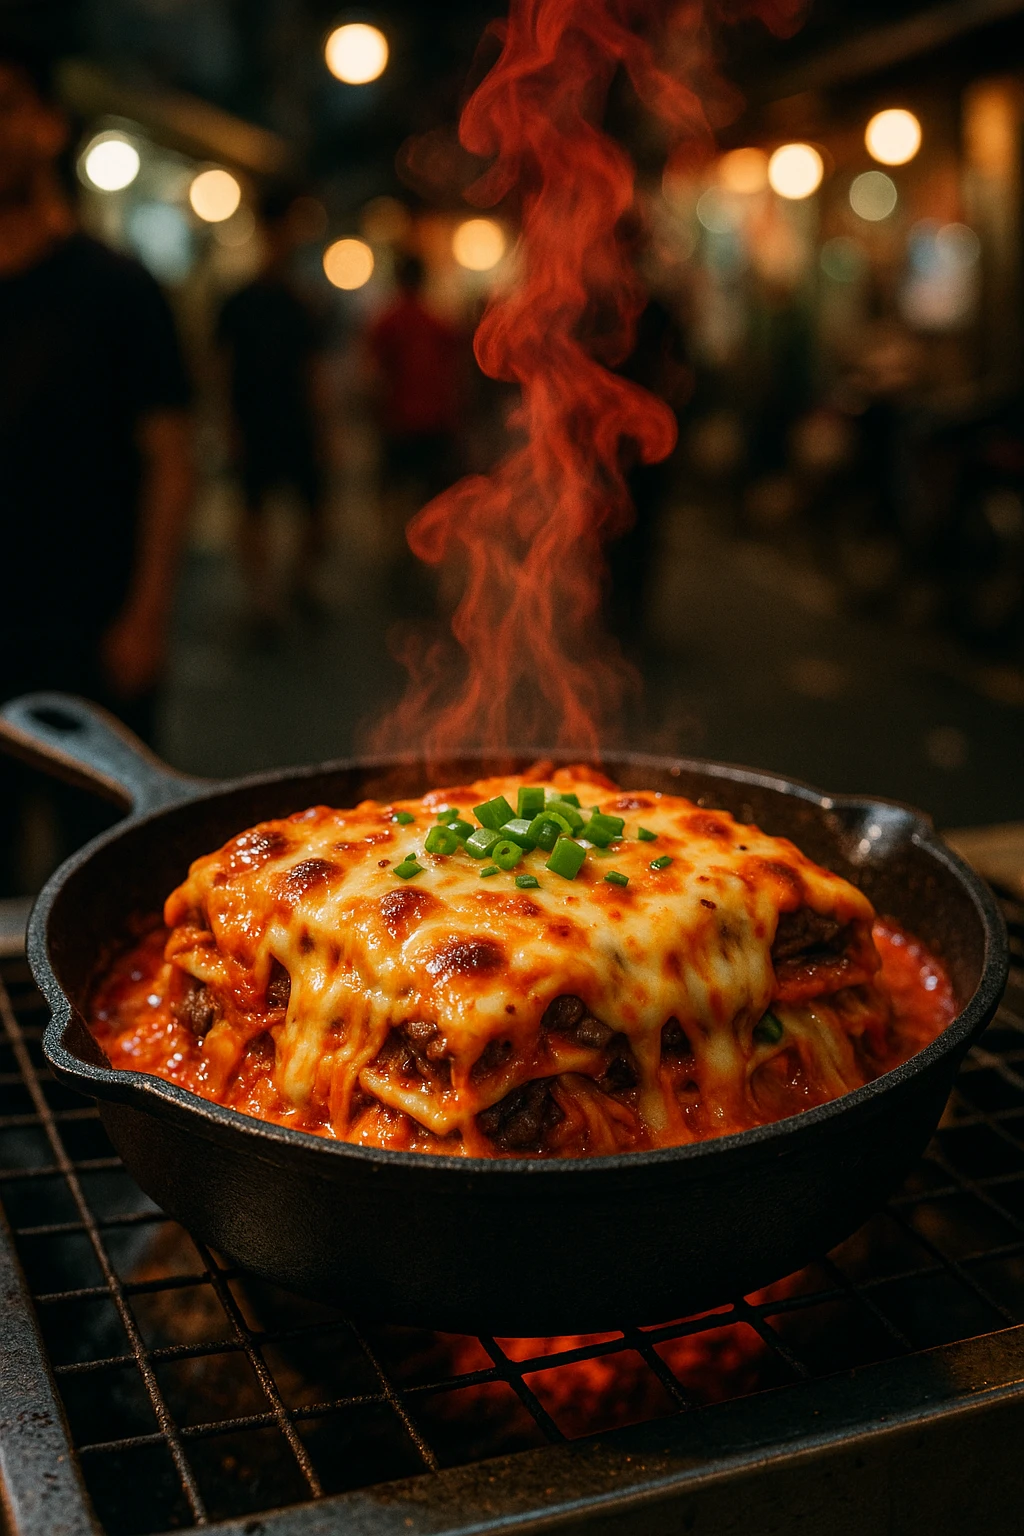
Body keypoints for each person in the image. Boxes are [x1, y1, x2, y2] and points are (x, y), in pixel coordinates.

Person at [0, 42, 193, 894]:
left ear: (48, 126)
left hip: (90, 628)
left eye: (5, 105)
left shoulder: (117, 288)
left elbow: (171, 457)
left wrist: (148, 611)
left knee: (111, 876)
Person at [216, 184, 328, 629]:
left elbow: (314, 371)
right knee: (253, 512)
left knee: (315, 515)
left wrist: (325, 428)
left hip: (295, 421)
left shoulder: (302, 304)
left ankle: (297, 585)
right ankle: (262, 598)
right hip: (255, 419)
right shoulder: (240, 302)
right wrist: (227, 425)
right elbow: (220, 370)